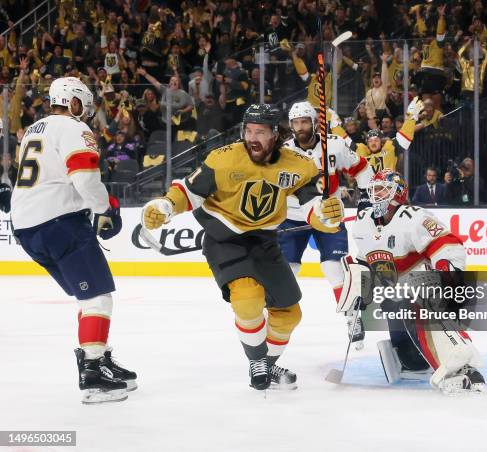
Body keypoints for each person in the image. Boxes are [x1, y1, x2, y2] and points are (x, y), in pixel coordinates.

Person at [141, 104, 344, 391]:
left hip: (265, 241)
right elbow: (188, 191)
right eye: (248, 130)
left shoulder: (297, 164)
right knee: (247, 298)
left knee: (290, 315)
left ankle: (266, 364)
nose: (252, 137)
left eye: (260, 132)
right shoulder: (224, 159)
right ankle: (258, 361)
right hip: (225, 239)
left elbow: (312, 206)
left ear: (275, 135)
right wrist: (166, 204)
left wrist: (325, 216)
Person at [9, 77, 136, 404]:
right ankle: (92, 372)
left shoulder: (33, 130)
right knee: (98, 299)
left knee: (88, 298)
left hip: (26, 227)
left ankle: (100, 357)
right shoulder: (72, 128)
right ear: (75, 102)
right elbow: (84, 174)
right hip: (59, 221)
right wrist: (104, 208)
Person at [339, 170, 487, 393]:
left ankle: (467, 369)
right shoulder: (363, 223)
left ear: (397, 193)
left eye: (382, 189)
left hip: (422, 293)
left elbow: (448, 244)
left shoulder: (415, 217)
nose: (375, 194)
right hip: (392, 298)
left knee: (423, 311)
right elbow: (362, 261)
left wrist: (446, 278)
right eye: (374, 189)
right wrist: (360, 294)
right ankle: (417, 360)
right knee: (410, 357)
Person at [279, 101, 373, 349]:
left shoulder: (334, 144)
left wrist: (365, 200)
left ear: (314, 122)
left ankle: (353, 317)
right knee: (287, 270)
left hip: (328, 214)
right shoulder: (283, 152)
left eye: (304, 122)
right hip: (292, 215)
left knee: (334, 267)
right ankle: (274, 317)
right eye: (295, 122)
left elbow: (363, 169)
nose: (300, 127)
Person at [355, 98, 422, 174]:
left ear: (381, 142)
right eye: (370, 141)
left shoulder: (390, 146)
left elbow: (404, 135)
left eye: (376, 140)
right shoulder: (362, 151)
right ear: (367, 143)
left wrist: (411, 118)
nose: (373, 143)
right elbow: (344, 140)